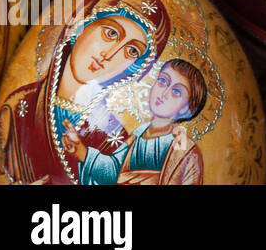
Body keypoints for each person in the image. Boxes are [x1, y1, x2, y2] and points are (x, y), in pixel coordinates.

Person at [0, 0, 172, 184]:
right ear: (81, 25)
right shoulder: (19, 106)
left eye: (131, 52)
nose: (109, 55)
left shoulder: (115, 141)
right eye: (111, 33)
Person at [66, 58, 207, 185]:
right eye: (163, 81)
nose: (164, 93)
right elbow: (114, 172)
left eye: (176, 92)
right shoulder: (138, 135)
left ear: (185, 108)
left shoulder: (185, 150)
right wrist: (80, 150)